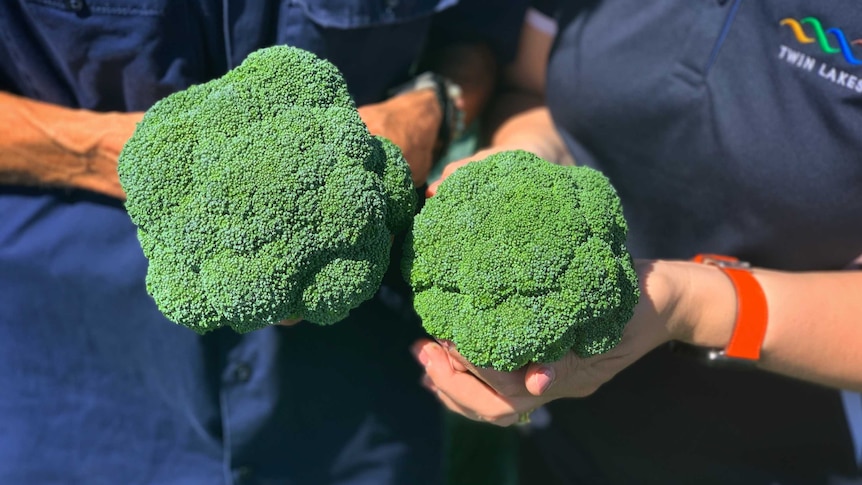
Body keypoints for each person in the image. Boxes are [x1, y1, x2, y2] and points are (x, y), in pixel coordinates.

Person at [0, 1, 527, 484]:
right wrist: (119, 154)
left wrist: (432, 108)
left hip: (356, 390)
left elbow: (479, 36)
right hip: (76, 378)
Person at [415, 2, 862, 484]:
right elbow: (531, 86)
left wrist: (688, 304)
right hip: (568, 434)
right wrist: (525, 164)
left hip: (785, 452)